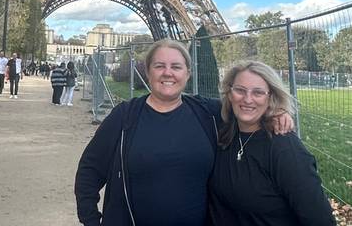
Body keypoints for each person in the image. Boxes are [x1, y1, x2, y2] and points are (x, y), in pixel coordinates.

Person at [74, 39, 293, 226]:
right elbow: (89, 171)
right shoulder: (124, 117)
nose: (167, 72)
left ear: (188, 73)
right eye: (159, 66)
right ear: (148, 72)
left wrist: (275, 113)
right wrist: (92, 221)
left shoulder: (209, 112)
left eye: (176, 67)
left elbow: (247, 108)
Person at [207, 60, 336, 226]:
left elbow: (320, 219)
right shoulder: (223, 132)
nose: (247, 99)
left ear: (271, 97)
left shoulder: (285, 149)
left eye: (258, 93)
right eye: (240, 90)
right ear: (230, 93)